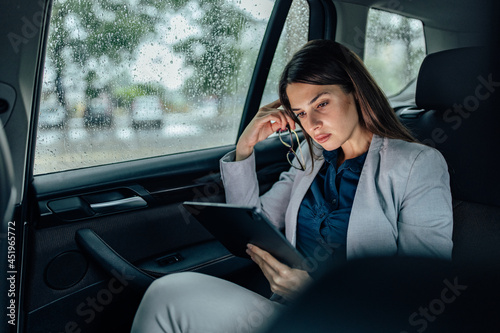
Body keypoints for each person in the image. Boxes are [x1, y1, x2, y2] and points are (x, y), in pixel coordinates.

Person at [130, 40, 453, 333]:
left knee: (169, 294)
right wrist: (245, 148)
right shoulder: (310, 154)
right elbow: (256, 224)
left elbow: (423, 291)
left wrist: (315, 291)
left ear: (355, 91)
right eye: (300, 113)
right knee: (169, 292)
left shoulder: (417, 164)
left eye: (321, 104)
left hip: (357, 322)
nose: (311, 124)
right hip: (292, 314)